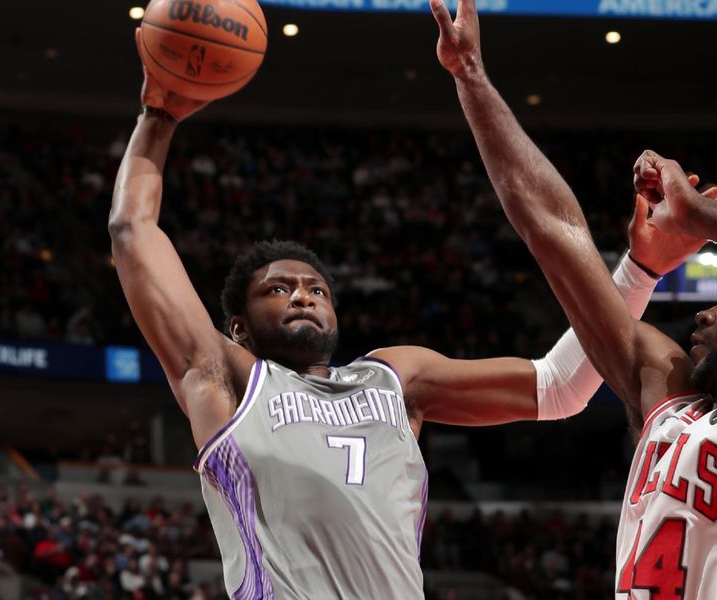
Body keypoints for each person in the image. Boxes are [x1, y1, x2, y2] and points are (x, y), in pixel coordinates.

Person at [108, 30, 698, 600]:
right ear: (238, 325)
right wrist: (157, 118)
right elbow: (133, 231)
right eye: (278, 289)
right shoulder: (226, 379)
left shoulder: (394, 378)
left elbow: (560, 386)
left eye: (316, 288)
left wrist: (641, 270)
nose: (303, 295)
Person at [427, 0, 717, 596]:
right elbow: (553, 232)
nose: (705, 311)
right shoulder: (673, 396)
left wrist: (700, 215)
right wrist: (473, 78)